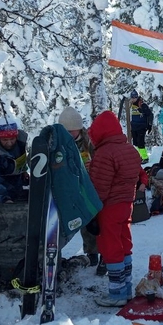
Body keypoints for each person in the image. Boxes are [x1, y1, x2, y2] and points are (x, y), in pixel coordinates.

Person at [87, 110, 148, 307]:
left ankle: (117, 293)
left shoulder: (105, 153)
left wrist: (93, 212)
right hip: (126, 205)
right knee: (124, 243)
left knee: (111, 247)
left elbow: (100, 187)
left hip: (109, 207)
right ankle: (126, 287)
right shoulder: (129, 149)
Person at [58, 106, 102, 274]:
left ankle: (92, 252)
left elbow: (100, 159)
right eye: (67, 132)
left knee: (90, 221)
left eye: (73, 132)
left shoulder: (88, 141)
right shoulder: (57, 141)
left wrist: (92, 165)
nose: (71, 135)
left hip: (87, 186)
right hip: (67, 189)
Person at [129, 90, 153, 164]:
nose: (133, 99)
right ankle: (140, 156)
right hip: (134, 126)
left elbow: (150, 114)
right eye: (132, 97)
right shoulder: (130, 105)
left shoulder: (142, 105)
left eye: (135, 97)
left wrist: (149, 125)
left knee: (140, 143)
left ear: (137, 97)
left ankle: (145, 157)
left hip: (141, 127)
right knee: (136, 143)